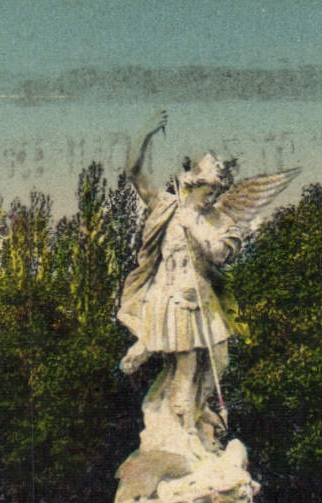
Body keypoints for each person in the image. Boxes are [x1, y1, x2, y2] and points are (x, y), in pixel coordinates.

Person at [117, 110, 297, 472]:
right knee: (186, 368)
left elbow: (220, 255)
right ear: (192, 184)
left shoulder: (218, 220)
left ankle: (192, 418)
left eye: (216, 191)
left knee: (218, 363)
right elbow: (134, 173)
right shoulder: (166, 208)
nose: (212, 196)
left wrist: (197, 228)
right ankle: (182, 436)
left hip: (205, 303)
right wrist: (145, 133)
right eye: (207, 189)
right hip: (173, 301)